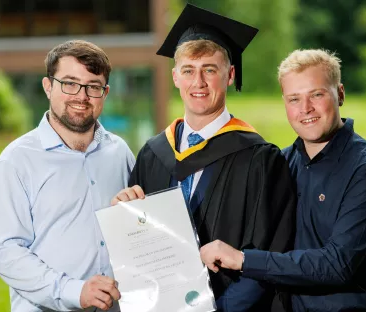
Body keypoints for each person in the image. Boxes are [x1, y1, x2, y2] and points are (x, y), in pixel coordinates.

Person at [111, 4, 296, 311]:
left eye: (210, 70)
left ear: (230, 75)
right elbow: (136, 252)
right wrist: (123, 217)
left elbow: (268, 257)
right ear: (175, 77)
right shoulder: (153, 153)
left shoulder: (260, 160)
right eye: (188, 70)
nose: (198, 82)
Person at [200, 49, 366, 311]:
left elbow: (336, 265)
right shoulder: (280, 164)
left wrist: (243, 259)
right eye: (294, 99)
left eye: (316, 94)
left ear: (340, 94)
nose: (305, 109)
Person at [0, 40, 135, 311]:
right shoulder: (16, 160)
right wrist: (73, 290)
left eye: (93, 87)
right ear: (48, 87)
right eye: (69, 83)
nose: (81, 96)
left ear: (104, 93)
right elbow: (5, 251)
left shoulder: (120, 152)